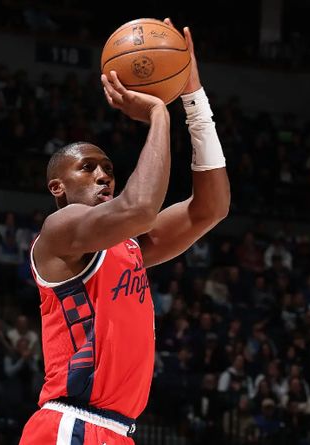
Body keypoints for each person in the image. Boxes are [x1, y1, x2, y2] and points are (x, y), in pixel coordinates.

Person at [19, 19, 230, 445]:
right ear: (57, 187)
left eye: (108, 169)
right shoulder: (59, 231)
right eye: (87, 168)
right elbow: (140, 208)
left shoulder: (128, 245)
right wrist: (158, 114)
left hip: (116, 430)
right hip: (71, 423)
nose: (103, 176)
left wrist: (192, 96)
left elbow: (210, 209)